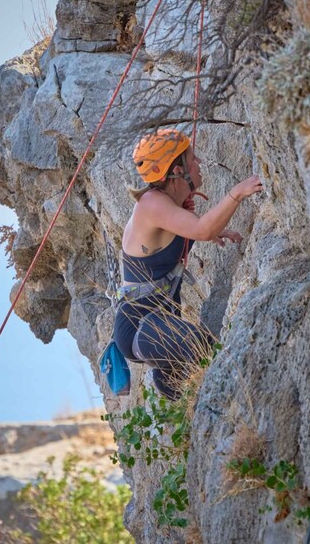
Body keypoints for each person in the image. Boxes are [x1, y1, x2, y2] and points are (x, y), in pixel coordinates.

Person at [112, 128, 264, 400]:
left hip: (158, 321)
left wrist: (215, 231)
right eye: (192, 159)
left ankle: (182, 400)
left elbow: (189, 232)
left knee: (192, 378)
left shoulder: (168, 204)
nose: (199, 163)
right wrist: (238, 193)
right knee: (203, 348)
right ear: (176, 170)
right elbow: (202, 229)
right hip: (139, 325)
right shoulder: (151, 204)